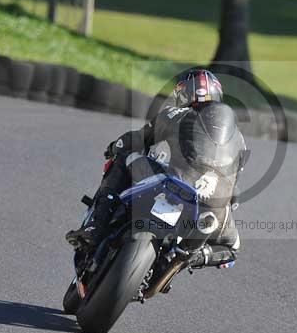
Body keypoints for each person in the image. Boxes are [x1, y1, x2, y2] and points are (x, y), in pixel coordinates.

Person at [66, 69, 247, 269]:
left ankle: (96, 227)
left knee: (125, 158)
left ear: (188, 94)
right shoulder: (239, 140)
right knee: (233, 249)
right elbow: (235, 192)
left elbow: (136, 140)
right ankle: (189, 258)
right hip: (215, 206)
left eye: (183, 93)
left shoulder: (177, 113)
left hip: (177, 185)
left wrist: (114, 147)